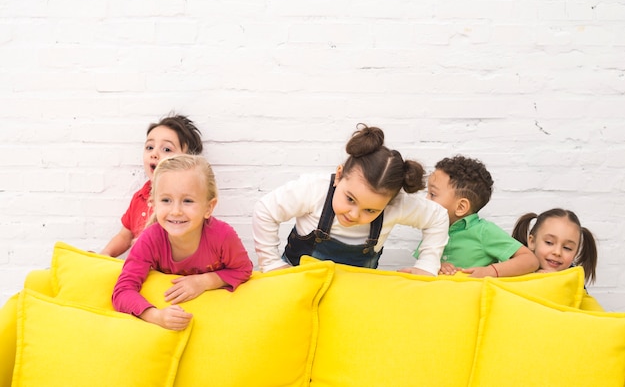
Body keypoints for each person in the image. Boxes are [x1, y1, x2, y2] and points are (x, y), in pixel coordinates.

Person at [253, 124, 449, 276]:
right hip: (297, 284)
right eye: (350, 199)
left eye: (370, 211)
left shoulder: (396, 204)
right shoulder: (315, 189)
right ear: (339, 175)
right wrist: (270, 263)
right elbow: (266, 210)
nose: (354, 214)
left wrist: (428, 265)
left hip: (354, 294)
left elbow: (437, 216)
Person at [112, 154, 253, 330]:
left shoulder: (223, 236)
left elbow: (244, 269)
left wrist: (204, 282)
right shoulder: (150, 240)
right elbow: (122, 291)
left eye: (187, 201)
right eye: (166, 200)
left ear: (208, 207)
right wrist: (156, 316)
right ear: (154, 203)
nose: (176, 211)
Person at [100, 113, 204, 257]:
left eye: (166, 149)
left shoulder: (186, 202)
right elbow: (125, 235)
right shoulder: (140, 196)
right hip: (140, 271)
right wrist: (105, 254)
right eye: (149, 147)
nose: (154, 154)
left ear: (187, 161)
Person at [423, 155, 539, 277]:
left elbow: (530, 261)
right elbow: (425, 263)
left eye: (432, 194)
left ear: (461, 207)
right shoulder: (432, 230)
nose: (426, 199)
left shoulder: (484, 231)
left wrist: (491, 271)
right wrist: (435, 265)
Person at [511, 208, 598, 285]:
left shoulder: (575, 283)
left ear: (575, 253)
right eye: (549, 242)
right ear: (532, 242)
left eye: (567, 248)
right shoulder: (514, 270)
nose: (557, 252)